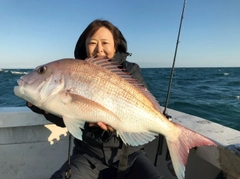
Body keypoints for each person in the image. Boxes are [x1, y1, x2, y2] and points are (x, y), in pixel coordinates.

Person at [27, 19, 164, 179]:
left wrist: (116, 123)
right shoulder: (74, 69)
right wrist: (39, 105)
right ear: (84, 46)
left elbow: (139, 106)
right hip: (88, 154)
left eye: (105, 42)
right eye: (92, 43)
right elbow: (65, 116)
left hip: (130, 156)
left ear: (115, 45)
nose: (99, 49)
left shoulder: (131, 70)